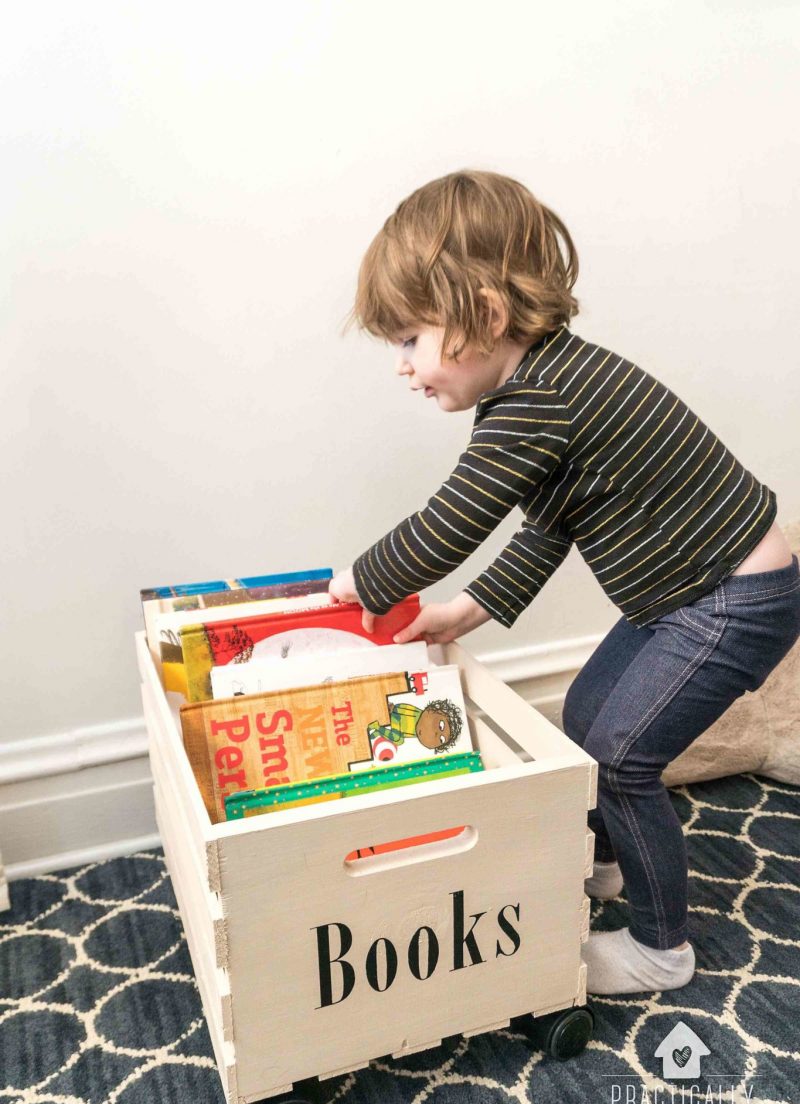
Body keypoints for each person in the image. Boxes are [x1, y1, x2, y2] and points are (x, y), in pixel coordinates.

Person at [329, 169, 800, 996]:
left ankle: (662, 948)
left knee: (622, 756)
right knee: (586, 716)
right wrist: (463, 613)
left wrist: (360, 585)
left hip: (731, 602)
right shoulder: (539, 389)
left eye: (410, 339)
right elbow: (550, 526)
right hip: (684, 596)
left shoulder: (541, 400)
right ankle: (609, 864)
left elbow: (449, 524)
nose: (403, 367)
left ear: (484, 313)